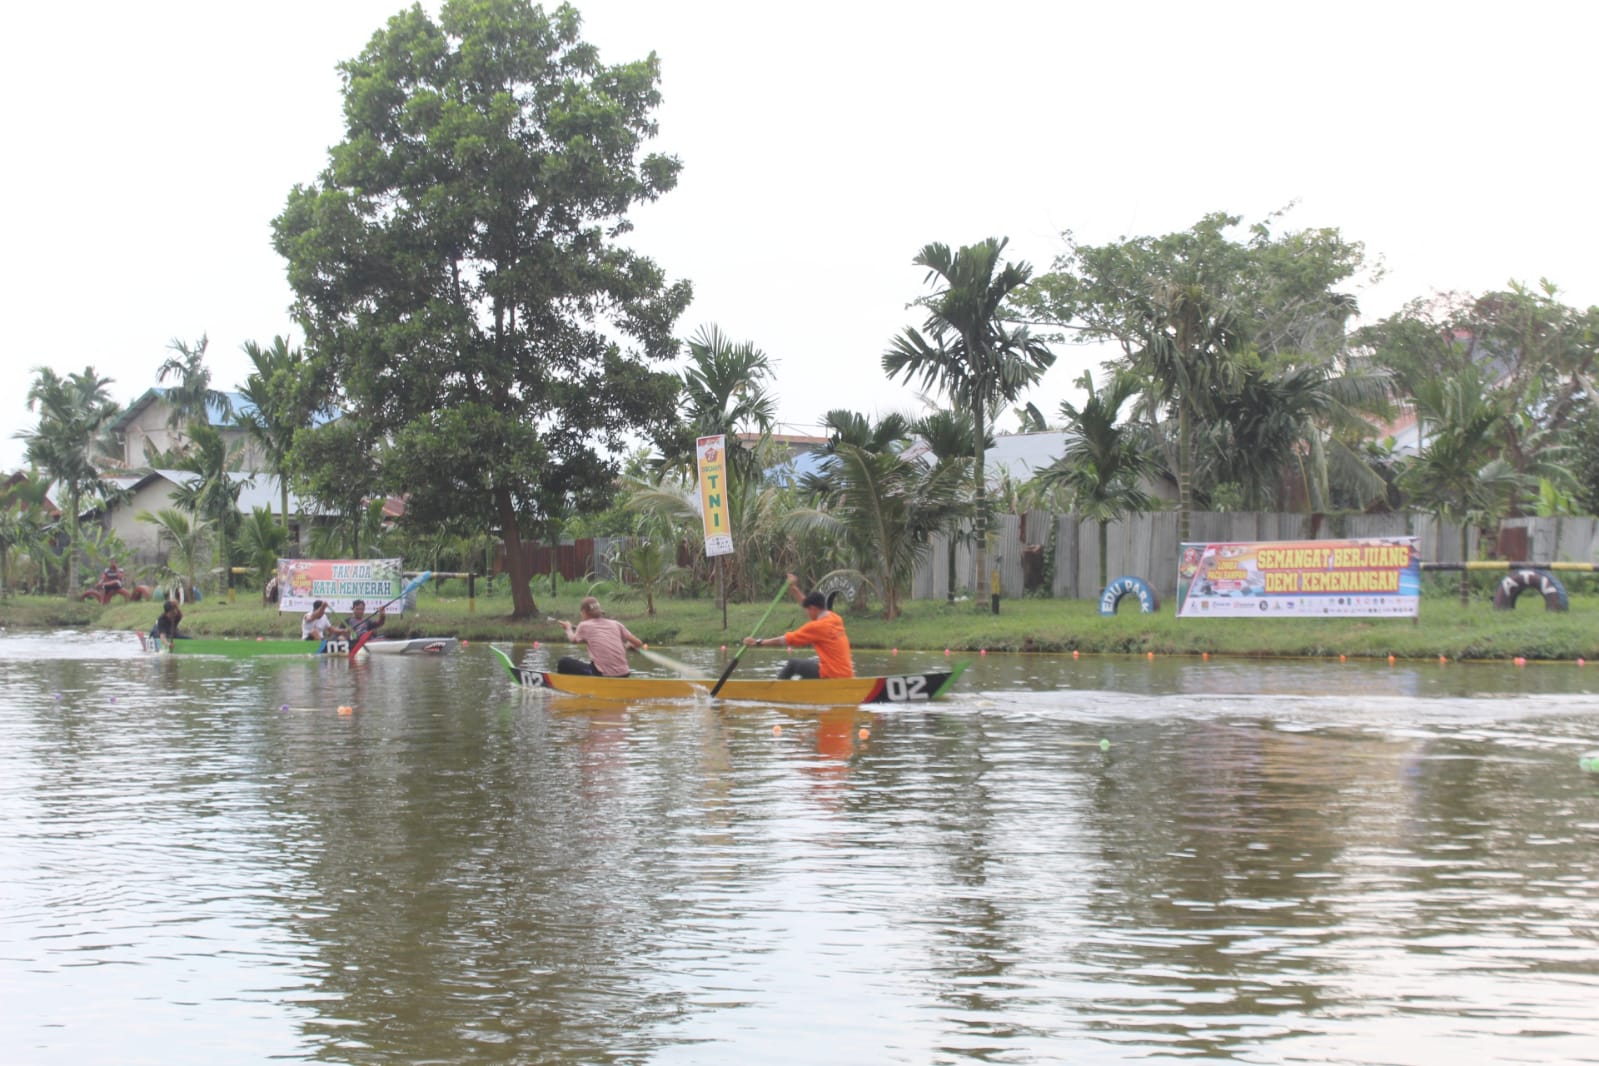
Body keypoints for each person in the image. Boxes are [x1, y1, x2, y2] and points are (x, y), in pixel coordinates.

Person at [744, 573, 854, 679]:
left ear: (814, 609)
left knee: (793, 664)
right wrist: (793, 588)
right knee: (811, 664)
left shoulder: (816, 627)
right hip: (846, 674)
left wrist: (758, 642)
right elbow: (807, 604)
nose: (807, 613)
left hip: (832, 674)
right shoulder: (836, 618)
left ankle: (775, 691)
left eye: (808, 610)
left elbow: (786, 640)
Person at [556, 596, 643, 676]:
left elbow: (573, 640)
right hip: (624, 674)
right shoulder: (616, 624)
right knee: (591, 663)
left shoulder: (584, 625)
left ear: (584, 612)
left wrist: (568, 628)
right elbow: (638, 643)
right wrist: (628, 646)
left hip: (603, 675)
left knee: (563, 662)